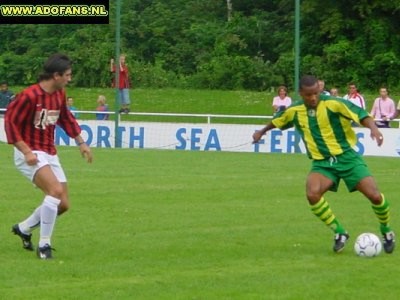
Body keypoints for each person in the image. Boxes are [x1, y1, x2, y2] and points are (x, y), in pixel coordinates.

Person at [252, 75, 395, 254]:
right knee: (312, 194)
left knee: (374, 196)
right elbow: (278, 120)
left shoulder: (333, 104)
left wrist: (374, 129)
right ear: (301, 93)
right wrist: (261, 132)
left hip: (347, 158)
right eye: (308, 95)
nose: (313, 98)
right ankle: (340, 232)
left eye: (316, 93)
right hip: (322, 163)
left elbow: (361, 114)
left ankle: (386, 230)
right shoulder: (295, 110)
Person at [4, 53, 93, 259]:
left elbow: (65, 118)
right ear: (56, 75)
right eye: (67, 75)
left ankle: (24, 228)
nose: (70, 79)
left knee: (63, 204)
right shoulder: (29, 96)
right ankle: (44, 246)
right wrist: (25, 151)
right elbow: (10, 123)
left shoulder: (59, 94)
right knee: (54, 191)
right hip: (29, 152)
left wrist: (81, 142)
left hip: (49, 151)